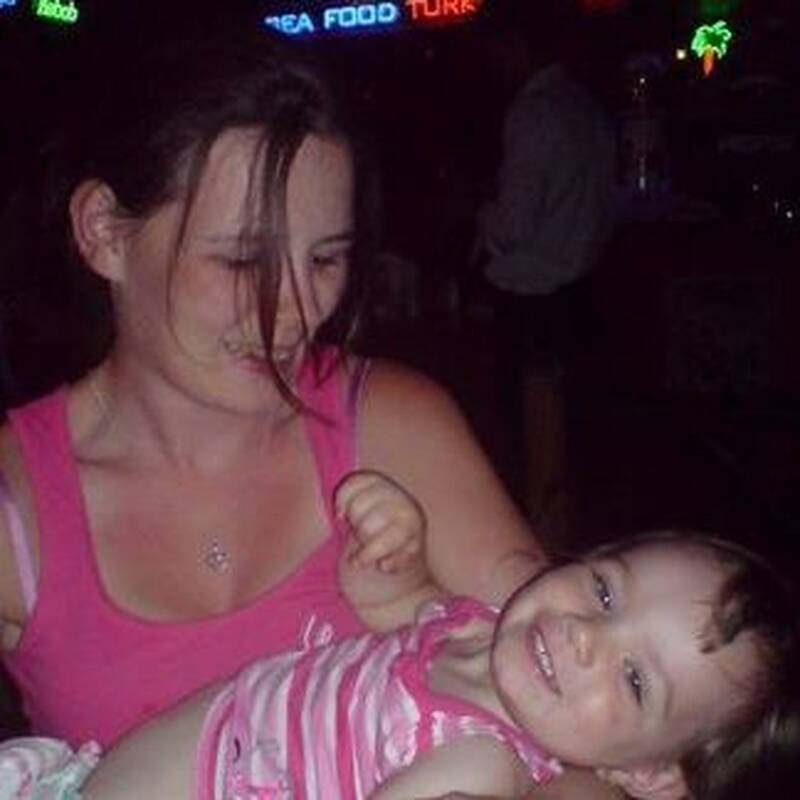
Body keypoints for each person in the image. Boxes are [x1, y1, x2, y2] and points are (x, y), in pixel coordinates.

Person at [0, 27, 545, 755]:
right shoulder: (17, 503)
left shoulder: (394, 425)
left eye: (324, 261)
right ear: (104, 233)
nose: (295, 313)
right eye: (240, 262)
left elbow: (590, 723)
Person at [3, 475, 797, 800]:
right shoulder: (474, 627)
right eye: (605, 591)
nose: (588, 636)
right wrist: (394, 544)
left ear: (651, 774)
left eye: (635, 680)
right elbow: (390, 601)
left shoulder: (482, 761)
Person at [475, 0, 617, 527]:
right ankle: (564, 542)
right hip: (582, 296)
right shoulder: (588, 108)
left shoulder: (534, 112)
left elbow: (513, 225)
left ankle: (538, 549)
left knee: (531, 451)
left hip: (533, 305)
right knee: (573, 452)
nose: (492, 60)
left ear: (518, 45)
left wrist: (480, 216)